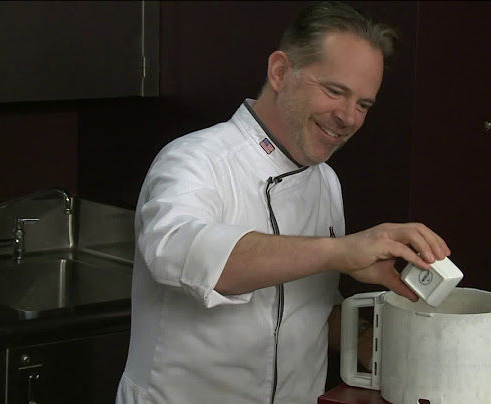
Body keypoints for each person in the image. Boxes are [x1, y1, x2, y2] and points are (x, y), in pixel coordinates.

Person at [115, 2, 451, 403]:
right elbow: (179, 254)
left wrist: (382, 340)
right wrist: (341, 251)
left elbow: (300, 311)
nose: (348, 117)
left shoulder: (326, 182)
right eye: (334, 91)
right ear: (279, 72)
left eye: (363, 105)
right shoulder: (194, 160)